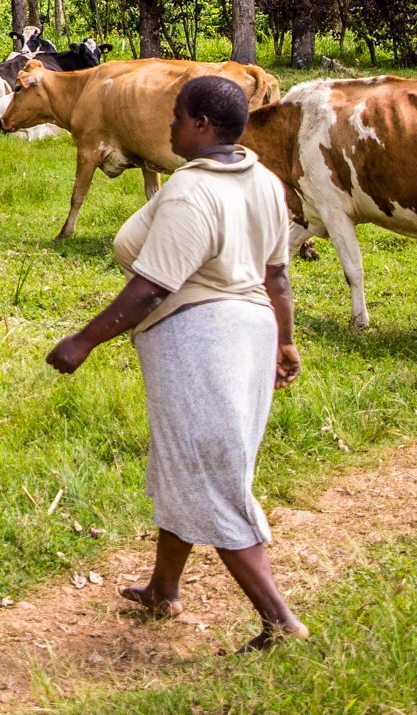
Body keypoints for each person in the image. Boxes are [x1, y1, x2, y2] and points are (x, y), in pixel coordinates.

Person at [44, 73, 308, 652]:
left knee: (211, 476)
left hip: (201, 340)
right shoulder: (263, 180)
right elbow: (277, 277)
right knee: (184, 461)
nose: (169, 125)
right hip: (251, 332)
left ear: (202, 125)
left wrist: (82, 341)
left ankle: (280, 621)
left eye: (178, 117)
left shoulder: (193, 190)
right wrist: (285, 342)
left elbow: (151, 288)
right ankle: (163, 589)